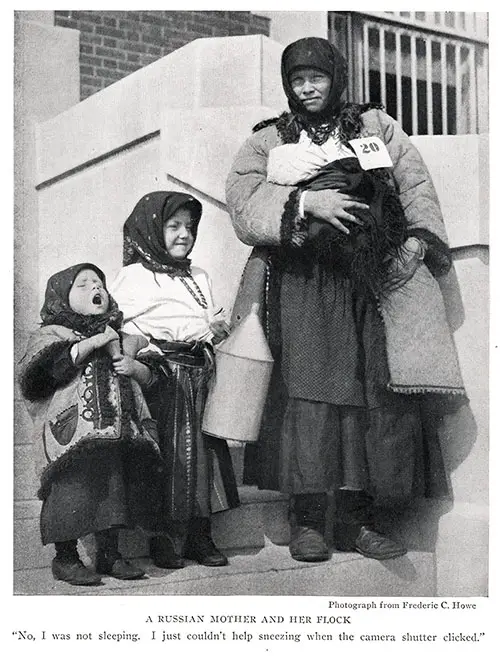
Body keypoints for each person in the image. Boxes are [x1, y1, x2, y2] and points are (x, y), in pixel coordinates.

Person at [225, 37, 465, 563]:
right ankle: (308, 520)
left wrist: (418, 240)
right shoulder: (267, 139)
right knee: (310, 393)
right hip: (304, 280)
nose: (308, 88)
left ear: (337, 77)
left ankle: (355, 522)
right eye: (297, 80)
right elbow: (242, 201)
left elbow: (414, 179)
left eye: (317, 77)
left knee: (369, 394)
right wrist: (309, 200)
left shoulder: (376, 126)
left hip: (369, 280)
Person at [110, 191, 239, 569]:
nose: (184, 234)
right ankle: (164, 539)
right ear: (152, 229)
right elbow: (121, 329)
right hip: (165, 375)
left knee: (207, 456)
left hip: (202, 372)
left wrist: (217, 329)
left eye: (190, 227)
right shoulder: (134, 276)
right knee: (171, 457)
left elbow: (208, 322)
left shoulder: (198, 275)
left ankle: (200, 536)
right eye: (173, 226)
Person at [19, 263, 163, 586]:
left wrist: (135, 366)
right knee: (69, 492)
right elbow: (38, 377)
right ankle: (66, 557)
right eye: (82, 285)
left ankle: (109, 554)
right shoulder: (52, 334)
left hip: (113, 434)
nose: (95, 289)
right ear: (61, 297)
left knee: (113, 489)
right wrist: (93, 342)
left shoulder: (121, 335)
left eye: (99, 283)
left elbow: (154, 369)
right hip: (70, 437)